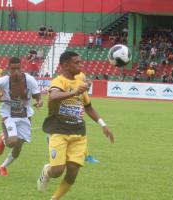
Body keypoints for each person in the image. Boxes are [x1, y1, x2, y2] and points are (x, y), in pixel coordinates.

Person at [37, 51, 114, 200]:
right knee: (58, 170)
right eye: (77, 62)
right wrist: (74, 92)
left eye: (80, 62)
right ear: (65, 65)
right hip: (59, 131)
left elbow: (88, 107)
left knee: (72, 172)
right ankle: (46, 171)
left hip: (79, 133)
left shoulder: (81, 82)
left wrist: (103, 125)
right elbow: (53, 96)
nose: (81, 65)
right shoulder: (59, 81)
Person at [0, 57, 43, 176]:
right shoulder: (3, 81)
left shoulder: (30, 80)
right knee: (12, 142)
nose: (16, 71)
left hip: (25, 115)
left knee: (18, 147)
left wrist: (39, 102)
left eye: (18, 68)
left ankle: (2, 167)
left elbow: (38, 97)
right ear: (8, 68)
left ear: (21, 68)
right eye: (13, 69)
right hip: (8, 114)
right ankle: (4, 138)